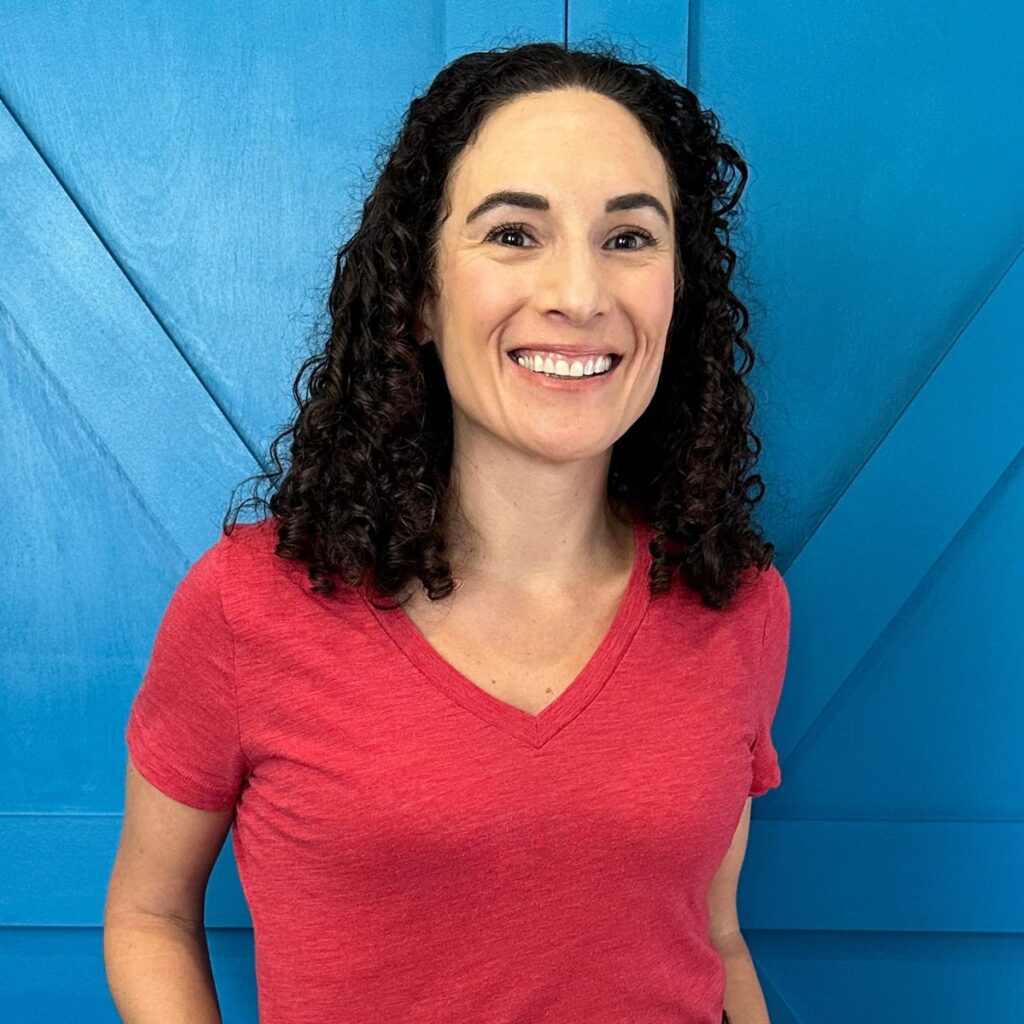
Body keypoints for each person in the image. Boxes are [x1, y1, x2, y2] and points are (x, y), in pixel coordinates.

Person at [104, 39, 790, 1024]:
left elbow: (713, 936)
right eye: (514, 233)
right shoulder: (246, 605)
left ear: (677, 295)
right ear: (420, 297)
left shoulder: (738, 602)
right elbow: (146, 911)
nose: (580, 294)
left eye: (628, 239)